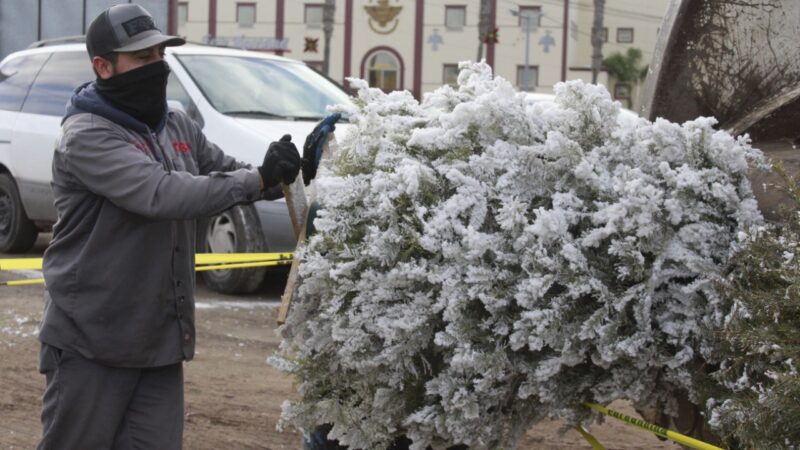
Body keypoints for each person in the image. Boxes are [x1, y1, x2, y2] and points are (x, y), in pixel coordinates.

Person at [36, 4, 305, 449]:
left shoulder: (174, 122)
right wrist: (255, 179)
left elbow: (223, 170)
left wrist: (278, 175)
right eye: (142, 59)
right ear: (103, 67)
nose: (156, 67)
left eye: (160, 55)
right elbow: (162, 194)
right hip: (91, 340)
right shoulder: (87, 135)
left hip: (157, 339)